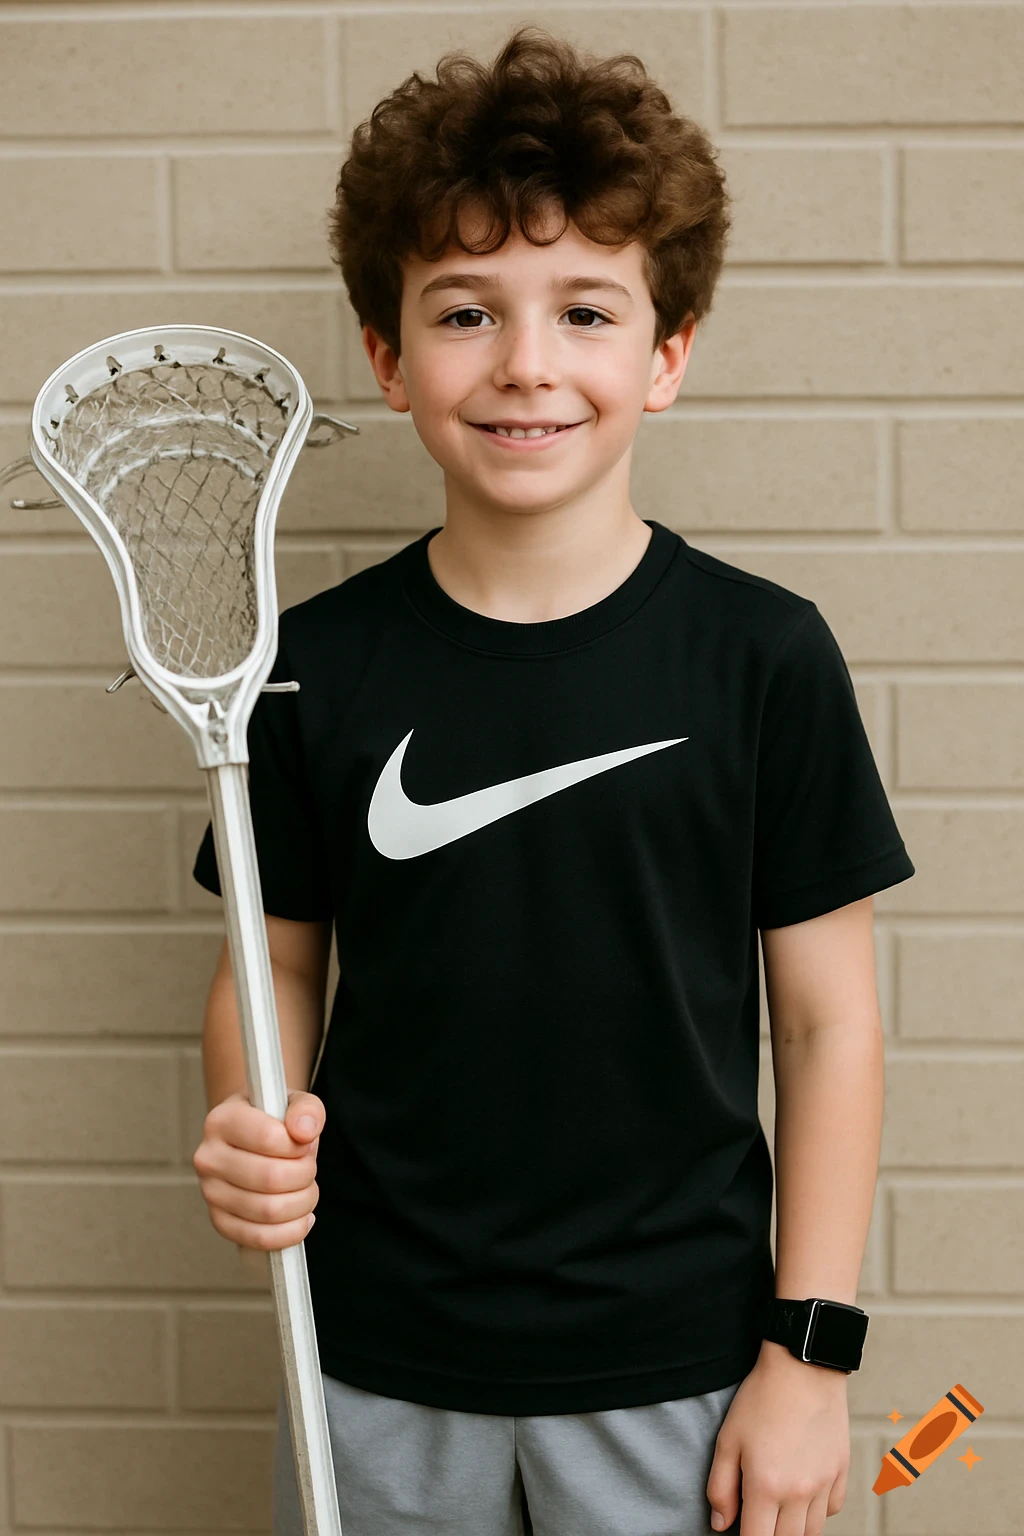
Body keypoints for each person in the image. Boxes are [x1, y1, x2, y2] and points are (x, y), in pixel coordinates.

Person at [190, 24, 914, 1536]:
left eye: (586, 310)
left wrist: (811, 1355)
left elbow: (830, 1022)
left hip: (682, 1369)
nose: (526, 363)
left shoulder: (764, 658)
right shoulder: (305, 669)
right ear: (387, 359)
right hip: (372, 1363)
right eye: (465, 313)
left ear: (667, 355)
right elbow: (271, 964)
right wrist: (247, 1127)